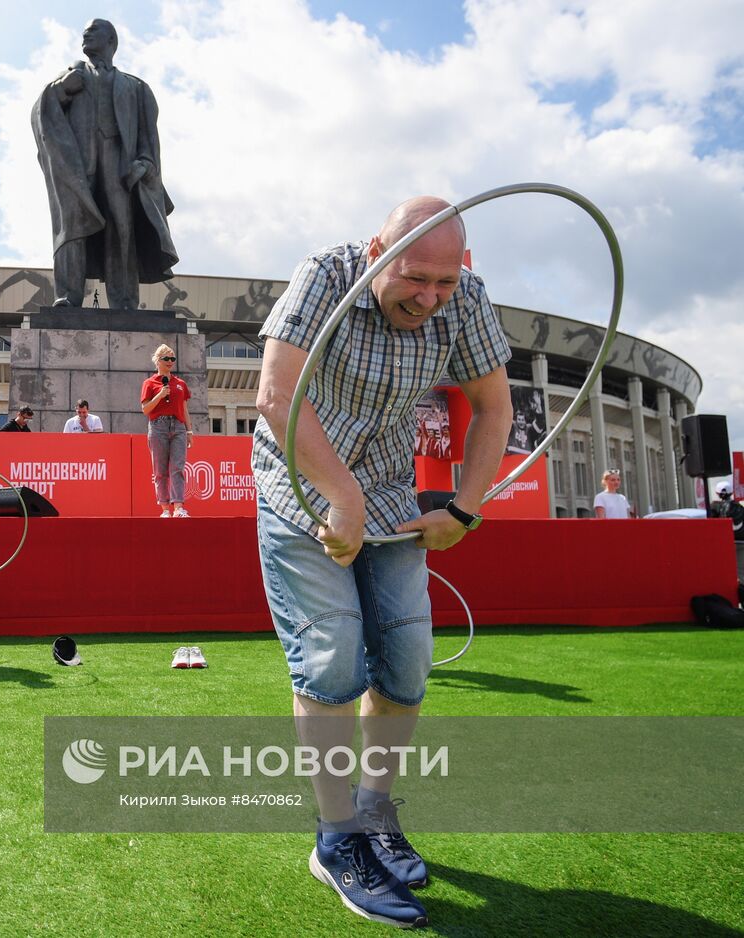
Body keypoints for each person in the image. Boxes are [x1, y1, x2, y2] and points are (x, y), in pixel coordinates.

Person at [253, 197, 513, 928]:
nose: (429, 298)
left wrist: (463, 507)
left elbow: (494, 406)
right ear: (376, 250)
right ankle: (335, 840)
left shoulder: (464, 301)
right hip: (301, 485)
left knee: (406, 661)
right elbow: (275, 394)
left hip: (393, 489)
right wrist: (339, 494)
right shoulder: (324, 274)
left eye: (445, 281)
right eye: (415, 277)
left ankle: (374, 812)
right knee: (332, 660)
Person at [31, 18, 178, 310]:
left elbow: (150, 139)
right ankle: (69, 296)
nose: (86, 33)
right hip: (78, 167)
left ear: (111, 40)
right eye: (85, 31)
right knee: (71, 228)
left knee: (121, 230)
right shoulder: (71, 78)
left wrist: (145, 164)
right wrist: (61, 90)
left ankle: (124, 302)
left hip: (120, 168)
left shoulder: (136, 88)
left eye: (94, 30)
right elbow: (41, 113)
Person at [140, 344, 191, 517]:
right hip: (158, 426)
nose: (170, 362)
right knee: (160, 470)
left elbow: (184, 408)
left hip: (178, 427)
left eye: (172, 359)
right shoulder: (149, 383)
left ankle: (178, 507)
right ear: (158, 361)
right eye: (166, 359)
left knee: (178, 467)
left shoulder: (180, 384)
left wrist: (189, 431)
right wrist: (160, 395)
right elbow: (146, 409)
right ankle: (164, 509)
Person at [707, 480, 744, 588]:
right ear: (731, 492)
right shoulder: (740, 507)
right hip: (741, 542)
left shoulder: (714, 506)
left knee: (723, 571)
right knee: (741, 573)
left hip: (725, 543)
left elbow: (711, 524)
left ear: (717, 493)